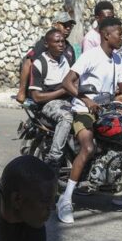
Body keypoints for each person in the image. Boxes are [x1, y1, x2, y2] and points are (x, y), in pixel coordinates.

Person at [58, 17, 122, 224]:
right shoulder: (90, 57)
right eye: (119, 33)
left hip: (107, 110)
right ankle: (66, 199)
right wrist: (86, 99)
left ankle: (121, 190)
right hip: (84, 111)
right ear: (106, 35)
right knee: (87, 148)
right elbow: (67, 82)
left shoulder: (117, 59)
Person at [28, 28, 73, 170]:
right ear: (47, 44)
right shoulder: (40, 64)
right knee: (66, 118)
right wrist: (62, 90)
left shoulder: (65, 60)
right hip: (48, 105)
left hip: (68, 101)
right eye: (57, 42)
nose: (61, 44)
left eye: (63, 41)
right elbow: (36, 97)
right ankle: (54, 157)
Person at [15, 11, 77, 104]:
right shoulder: (45, 44)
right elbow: (28, 62)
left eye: (70, 26)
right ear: (56, 25)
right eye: (65, 25)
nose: (68, 28)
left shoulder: (69, 48)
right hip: (46, 90)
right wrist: (21, 92)